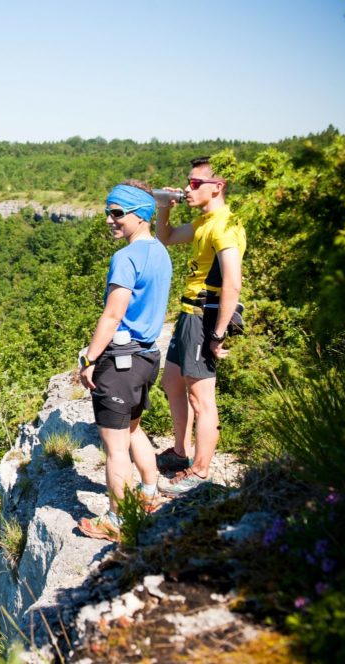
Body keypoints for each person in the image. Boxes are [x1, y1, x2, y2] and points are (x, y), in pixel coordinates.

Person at [78, 181, 172, 542]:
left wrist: (89, 358)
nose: (109, 220)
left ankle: (118, 521)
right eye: (108, 212)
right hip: (148, 358)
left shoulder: (126, 257)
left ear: (141, 215)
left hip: (120, 360)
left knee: (115, 448)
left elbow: (112, 315)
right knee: (132, 428)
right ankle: (149, 492)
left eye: (117, 213)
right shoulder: (161, 252)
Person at [154, 156, 245, 496]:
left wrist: (218, 334)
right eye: (188, 183)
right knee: (173, 381)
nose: (188, 189)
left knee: (200, 397)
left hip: (204, 316)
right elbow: (166, 237)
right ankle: (180, 453)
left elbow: (232, 283)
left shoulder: (225, 225)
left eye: (195, 184)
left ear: (217, 187)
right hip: (188, 313)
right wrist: (165, 206)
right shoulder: (205, 221)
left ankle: (200, 471)